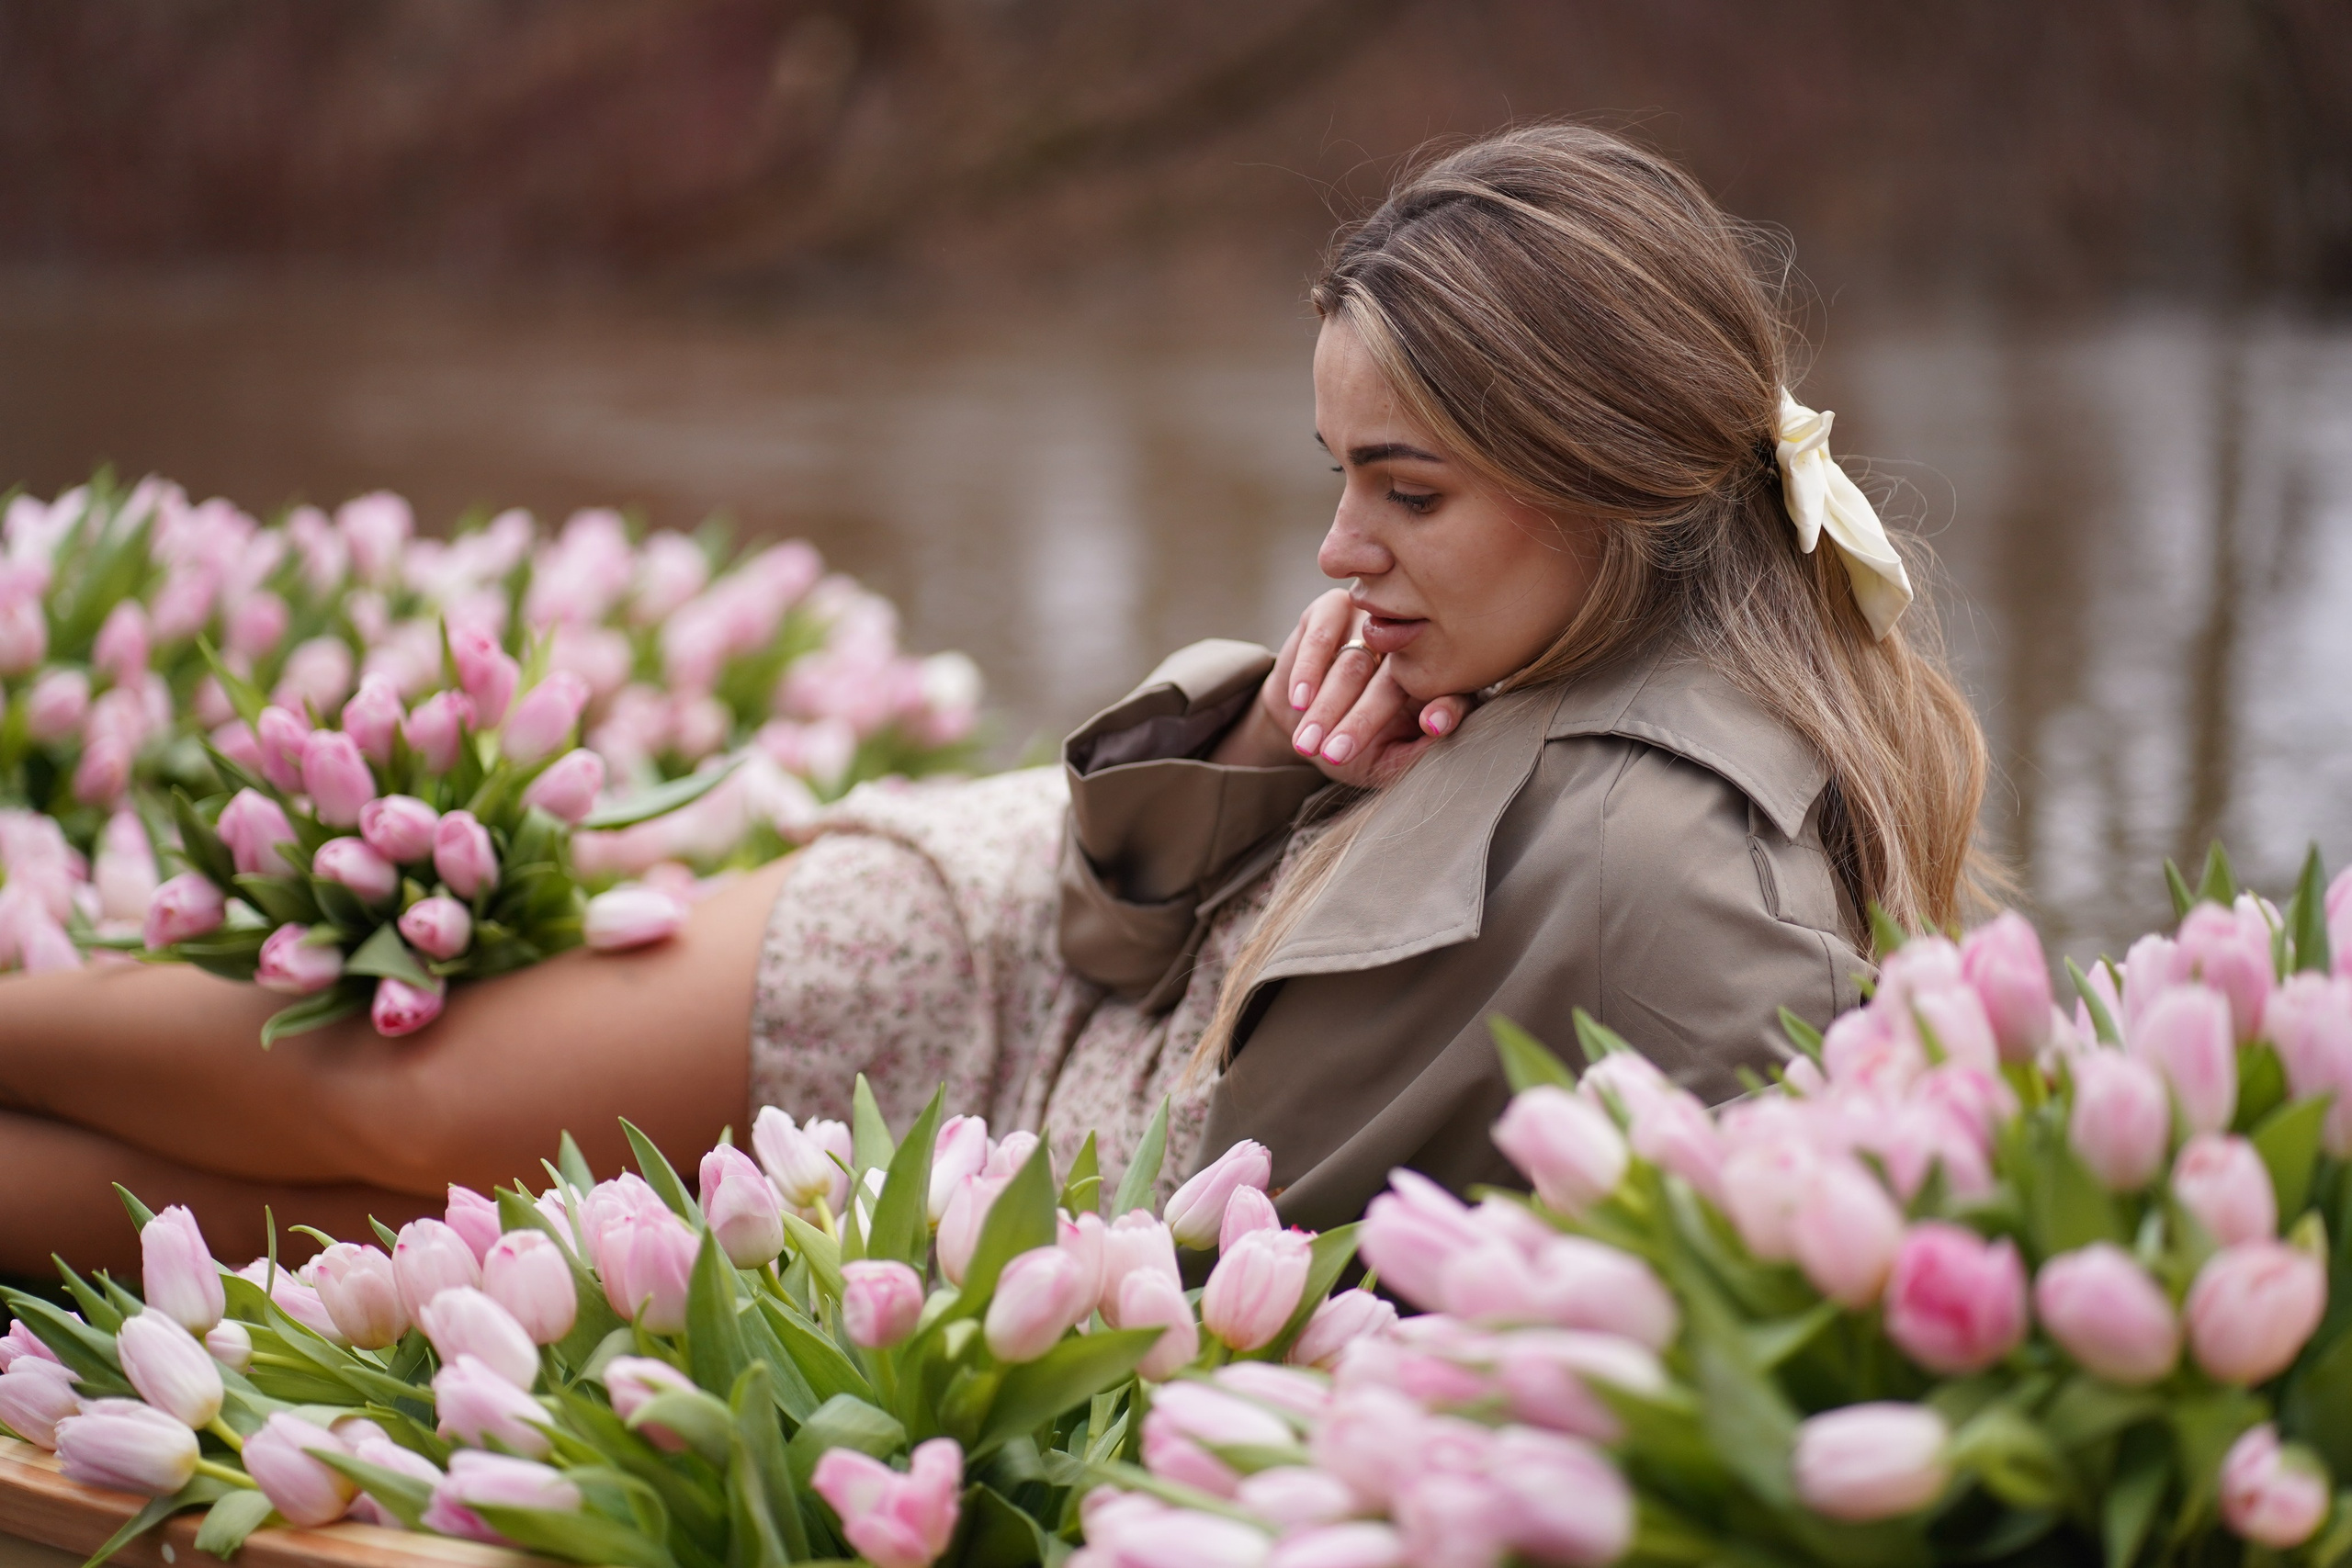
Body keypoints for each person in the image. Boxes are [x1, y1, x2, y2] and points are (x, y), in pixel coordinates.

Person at [0, 125, 1990, 1275]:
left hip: (1012, 1198)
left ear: (1607, 467)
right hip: (973, 978)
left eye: (1400, 488)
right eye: (1337, 473)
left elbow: (1708, 1251)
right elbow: (1100, 921)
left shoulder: (1684, 860)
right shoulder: (1499, 643)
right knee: (400, 1088)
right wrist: (1270, 763)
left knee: (348, 1204)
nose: (1333, 551)